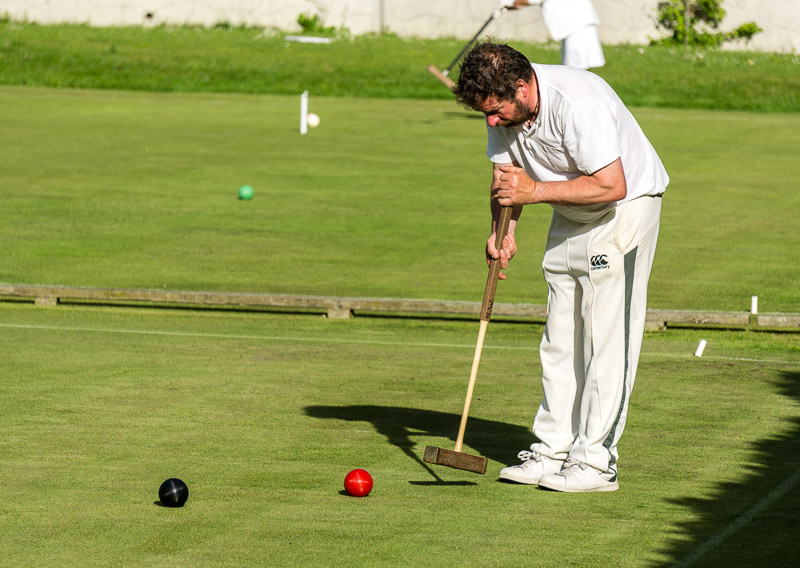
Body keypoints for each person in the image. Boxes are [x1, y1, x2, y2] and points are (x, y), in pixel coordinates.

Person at [453, 42, 668, 492]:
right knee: (560, 337)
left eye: (496, 111)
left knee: (606, 339)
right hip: (568, 209)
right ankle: (552, 450)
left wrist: (532, 193)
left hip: (623, 210)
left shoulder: (577, 102)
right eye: (484, 114)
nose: (491, 122)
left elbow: (611, 184)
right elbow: (506, 178)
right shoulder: (503, 110)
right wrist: (502, 231)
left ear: (523, 86)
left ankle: (596, 462)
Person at [508, 0, 605, 69]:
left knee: (574, 69)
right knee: (578, 68)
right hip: (579, 22)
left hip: (577, 24)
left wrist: (513, 2)